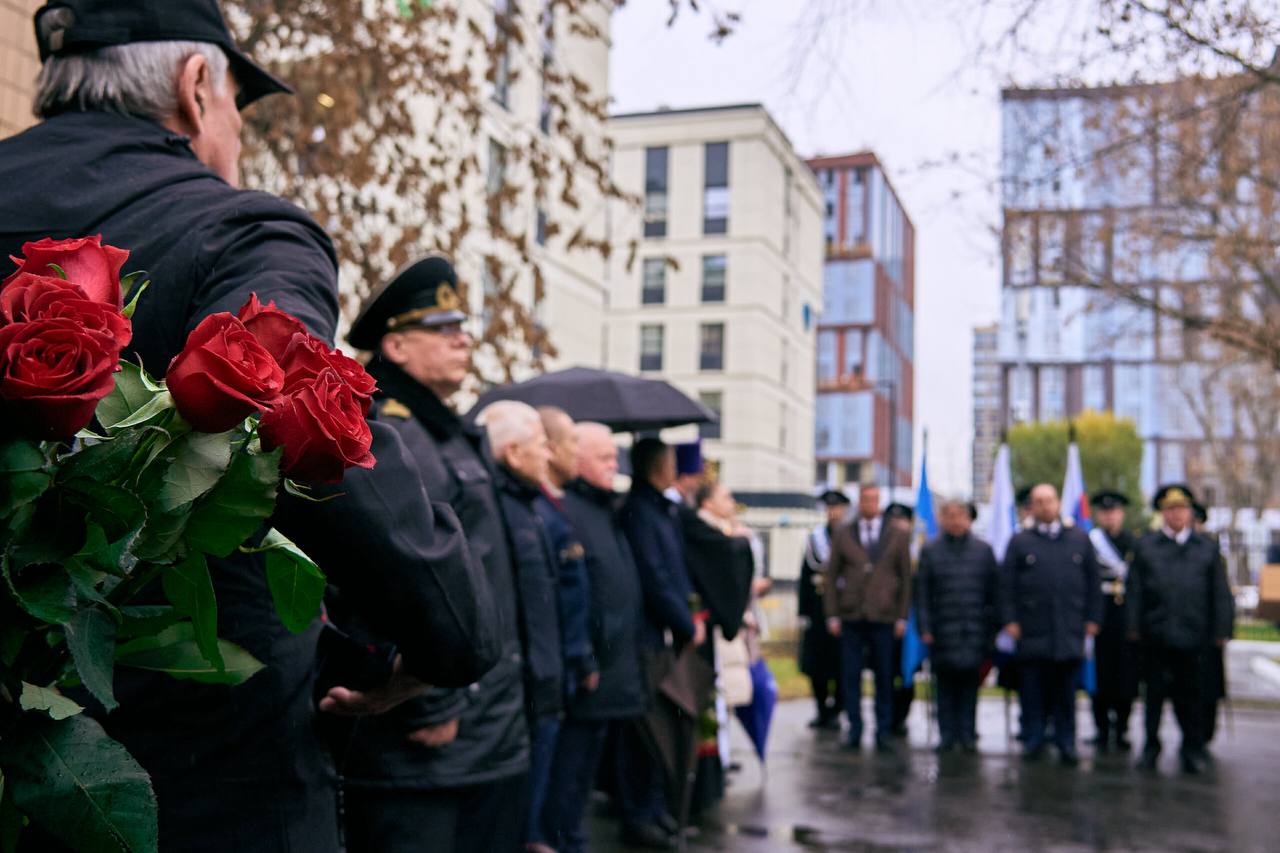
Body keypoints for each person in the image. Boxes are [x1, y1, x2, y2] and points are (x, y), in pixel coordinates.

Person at [0, 4, 498, 850]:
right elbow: (302, 410)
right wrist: (449, 638)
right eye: (237, 103)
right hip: (198, 765)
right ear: (199, 91)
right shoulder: (239, 229)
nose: (235, 132)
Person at [340, 257, 529, 853]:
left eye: (462, 326)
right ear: (394, 346)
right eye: (443, 330)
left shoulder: (447, 431)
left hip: (485, 724)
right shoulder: (389, 433)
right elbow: (387, 574)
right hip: (431, 735)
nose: (463, 338)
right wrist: (431, 701)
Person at [478, 402, 579, 853]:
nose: (550, 456)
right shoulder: (497, 508)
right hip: (515, 687)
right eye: (542, 447)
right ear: (515, 454)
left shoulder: (530, 507)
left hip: (542, 679)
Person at [546, 423, 646, 853]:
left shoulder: (608, 510)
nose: (615, 464)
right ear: (578, 458)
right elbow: (573, 597)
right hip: (589, 676)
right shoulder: (569, 511)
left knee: (583, 779)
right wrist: (584, 658)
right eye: (604, 457)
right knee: (567, 782)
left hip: (613, 672)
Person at [618, 438, 705, 849]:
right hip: (645, 637)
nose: (678, 467)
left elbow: (674, 571)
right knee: (648, 733)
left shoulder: (661, 510)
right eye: (671, 461)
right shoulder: (639, 512)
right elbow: (654, 576)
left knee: (661, 728)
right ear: (658, 466)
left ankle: (655, 811)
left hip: (661, 635)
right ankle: (641, 815)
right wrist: (685, 622)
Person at [1129, 485, 1234, 774]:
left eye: (1182, 508)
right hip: (1156, 636)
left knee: (1192, 697)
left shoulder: (1206, 548)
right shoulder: (1146, 546)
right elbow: (1135, 590)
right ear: (1163, 513)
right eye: (1171, 509)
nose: (1177, 514)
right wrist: (1133, 627)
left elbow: (1220, 593)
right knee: (1153, 698)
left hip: (1194, 638)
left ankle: (1192, 748)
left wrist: (1222, 629)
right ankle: (1151, 746)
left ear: (1190, 513)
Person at [999, 484, 1102, 766]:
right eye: (1038, 502)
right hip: (1032, 633)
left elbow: (1094, 583)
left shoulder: (1079, 539)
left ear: (1058, 503)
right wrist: (1009, 620)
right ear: (1031, 507)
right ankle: (1034, 740)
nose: (1045, 506)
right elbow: (1006, 586)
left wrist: (1093, 619)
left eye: (1049, 500)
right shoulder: (1020, 542)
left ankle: (1066, 741)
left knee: (1066, 695)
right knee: (1032, 692)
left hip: (1069, 632)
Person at [824, 484, 913, 753]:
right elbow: (830, 577)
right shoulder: (843, 533)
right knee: (850, 675)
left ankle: (883, 729)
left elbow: (906, 578)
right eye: (865, 500)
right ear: (859, 502)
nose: (869, 505)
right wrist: (832, 614)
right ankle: (854, 727)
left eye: (874, 500)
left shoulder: (896, 535)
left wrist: (902, 616)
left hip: (883, 617)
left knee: (884, 676)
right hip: (851, 615)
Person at [916, 500, 998, 754]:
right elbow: (923, 595)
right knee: (945, 688)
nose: (955, 521)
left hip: (974, 631)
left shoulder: (983, 551)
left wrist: (992, 629)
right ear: (941, 518)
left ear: (969, 519)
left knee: (970, 687)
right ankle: (947, 735)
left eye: (960, 515)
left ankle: (968, 734)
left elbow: (994, 594)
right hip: (942, 632)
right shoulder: (930, 550)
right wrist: (925, 628)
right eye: (949, 515)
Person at [1086, 490, 1139, 752]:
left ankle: (1122, 729)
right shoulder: (1090, 542)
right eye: (1104, 511)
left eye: (1114, 511)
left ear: (1122, 513)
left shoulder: (1134, 543)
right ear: (1098, 514)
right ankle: (1101, 728)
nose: (1109, 516)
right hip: (1099, 617)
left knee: (1125, 678)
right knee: (1100, 677)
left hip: (1125, 619)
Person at [799, 490, 849, 729]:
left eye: (837, 507)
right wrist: (803, 611)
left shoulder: (851, 537)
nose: (833, 512)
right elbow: (805, 576)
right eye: (829, 508)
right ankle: (821, 709)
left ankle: (837, 709)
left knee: (841, 664)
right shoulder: (815, 538)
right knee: (816, 665)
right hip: (818, 610)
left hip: (843, 608)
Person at [883, 502, 917, 737]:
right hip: (886, 620)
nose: (897, 525)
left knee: (908, 671)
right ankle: (886, 718)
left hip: (913, 623)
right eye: (892, 521)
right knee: (886, 672)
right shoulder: (880, 549)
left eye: (902, 520)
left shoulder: (919, 550)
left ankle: (901, 717)